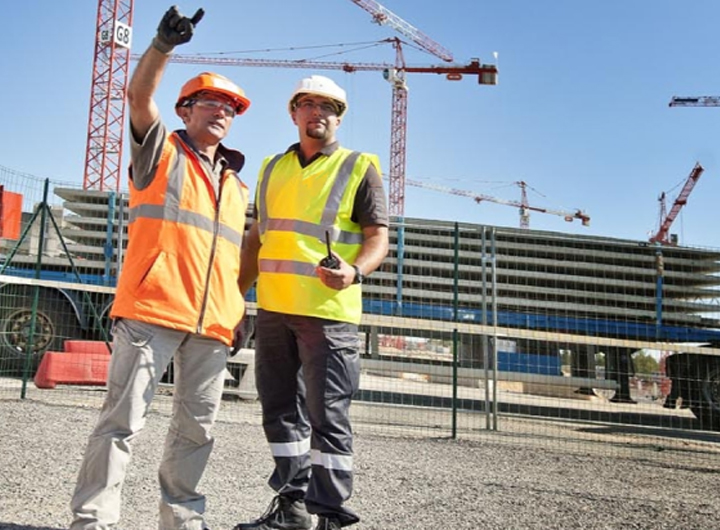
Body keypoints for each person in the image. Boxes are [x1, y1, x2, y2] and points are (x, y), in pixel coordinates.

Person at [69, 6, 251, 530]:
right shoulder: (161, 152)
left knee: (197, 432)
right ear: (187, 110)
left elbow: (233, 257)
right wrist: (162, 46)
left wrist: (237, 308)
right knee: (122, 424)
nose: (220, 111)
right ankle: (94, 521)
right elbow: (138, 96)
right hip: (152, 311)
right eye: (210, 102)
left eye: (229, 107)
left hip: (214, 325)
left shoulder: (237, 187)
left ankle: (183, 522)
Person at [234, 75, 389, 530]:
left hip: (328, 314)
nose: (318, 113)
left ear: (339, 118)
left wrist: (355, 272)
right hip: (276, 311)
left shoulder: (359, 167)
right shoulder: (270, 168)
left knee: (327, 418)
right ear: (293, 112)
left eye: (329, 107)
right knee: (279, 411)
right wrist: (236, 299)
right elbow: (255, 241)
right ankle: (293, 506)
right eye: (308, 104)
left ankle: (331, 519)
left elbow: (379, 238)